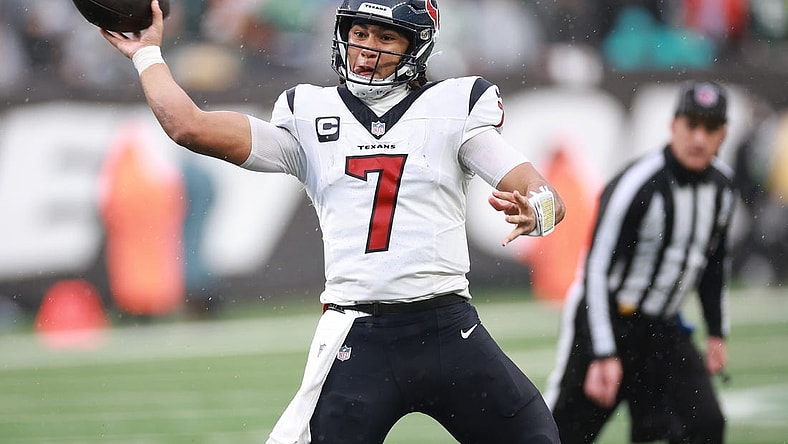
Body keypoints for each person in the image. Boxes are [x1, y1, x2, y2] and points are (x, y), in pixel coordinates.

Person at [100, 1, 566, 443]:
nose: (366, 46)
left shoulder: (454, 106)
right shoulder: (308, 114)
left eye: (385, 36)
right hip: (358, 336)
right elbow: (189, 126)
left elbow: (545, 195)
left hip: (448, 327)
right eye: (359, 32)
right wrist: (146, 54)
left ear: (416, 46)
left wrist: (536, 211)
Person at [544, 80, 735, 444]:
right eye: (691, 125)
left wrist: (715, 331)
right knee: (564, 433)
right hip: (610, 319)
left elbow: (714, 264)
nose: (698, 138)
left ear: (723, 134)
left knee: (705, 424)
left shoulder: (723, 189)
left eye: (710, 128)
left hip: (664, 329)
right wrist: (602, 351)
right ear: (673, 125)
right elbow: (595, 271)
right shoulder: (637, 184)